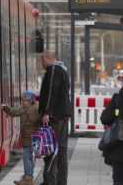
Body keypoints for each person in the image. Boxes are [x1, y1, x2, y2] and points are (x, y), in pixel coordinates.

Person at [38, 51, 72, 185]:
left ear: (48, 59)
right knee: (61, 151)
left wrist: (47, 112)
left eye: (42, 60)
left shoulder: (53, 70)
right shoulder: (63, 71)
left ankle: (50, 181)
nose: (41, 64)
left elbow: (52, 90)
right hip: (62, 117)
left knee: (51, 150)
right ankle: (60, 181)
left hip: (55, 117)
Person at [3, 90, 41, 185]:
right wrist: (6, 108)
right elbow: (13, 112)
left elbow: (13, 112)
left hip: (31, 138)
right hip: (33, 137)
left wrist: (6, 108)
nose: (23, 102)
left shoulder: (27, 109)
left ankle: (28, 178)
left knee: (27, 157)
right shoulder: (33, 108)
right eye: (23, 100)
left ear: (31, 100)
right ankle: (28, 177)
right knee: (30, 157)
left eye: (26, 100)